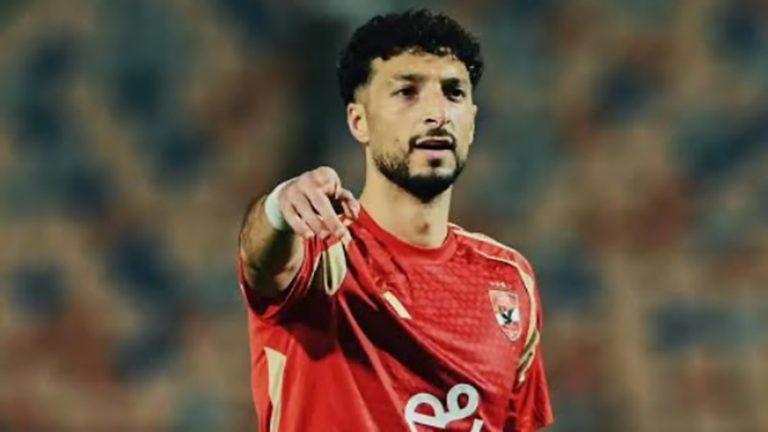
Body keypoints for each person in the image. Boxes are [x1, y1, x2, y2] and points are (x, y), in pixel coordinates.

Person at [237, 9, 554, 432]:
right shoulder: (321, 252)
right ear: (359, 121)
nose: (437, 114)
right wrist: (279, 207)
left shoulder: (509, 280)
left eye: (453, 93)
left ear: (473, 123)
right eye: (407, 92)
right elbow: (261, 261)